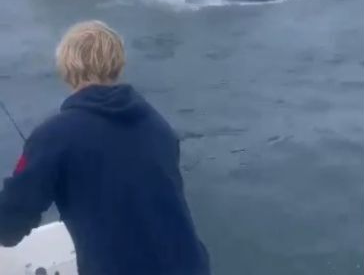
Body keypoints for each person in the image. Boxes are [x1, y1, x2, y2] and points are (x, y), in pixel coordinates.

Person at [0, 21, 210, 275]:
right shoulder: (156, 124)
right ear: (118, 64)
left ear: (66, 66)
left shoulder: (53, 136)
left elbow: (9, 226)